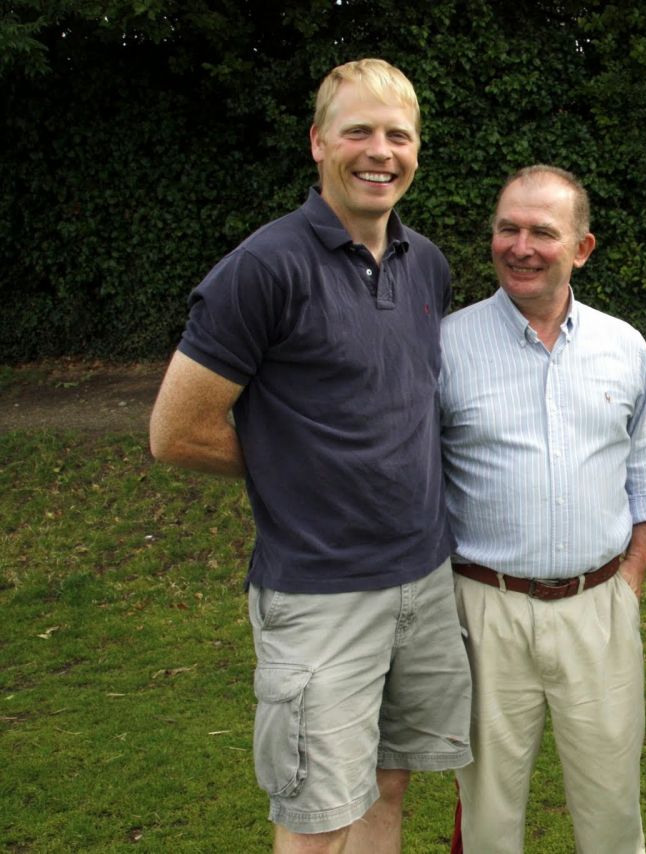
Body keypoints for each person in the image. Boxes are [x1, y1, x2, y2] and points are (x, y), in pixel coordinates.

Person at [148, 58, 471, 852]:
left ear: (418, 152)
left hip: (424, 582)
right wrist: (300, 473)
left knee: (388, 784)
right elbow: (176, 433)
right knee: (317, 816)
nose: (379, 151)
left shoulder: (426, 262)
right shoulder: (264, 268)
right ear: (318, 142)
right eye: (358, 130)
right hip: (323, 597)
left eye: (398, 135)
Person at [440, 164, 646, 853]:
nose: (521, 246)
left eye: (543, 231)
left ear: (582, 247)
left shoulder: (623, 346)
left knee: (611, 816)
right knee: (487, 819)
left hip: (598, 609)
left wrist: (629, 581)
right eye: (507, 228)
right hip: (484, 611)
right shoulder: (447, 345)